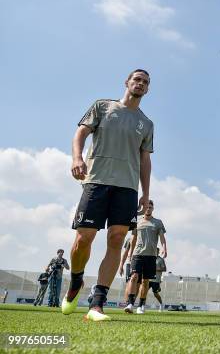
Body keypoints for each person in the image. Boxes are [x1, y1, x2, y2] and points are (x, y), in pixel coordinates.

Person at [61, 69, 154, 322]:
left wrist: (146, 193)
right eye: (137, 80)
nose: (141, 84)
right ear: (127, 82)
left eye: (145, 82)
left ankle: (97, 303)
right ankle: (77, 280)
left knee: (116, 238)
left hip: (126, 188)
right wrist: (77, 158)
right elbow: (80, 132)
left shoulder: (146, 123)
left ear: (147, 89)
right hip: (96, 182)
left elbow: (145, 159)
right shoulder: (102, 107)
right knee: (83, 239)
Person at [124, 200, 167, 315]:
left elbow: (162, 237)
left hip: (151, 255)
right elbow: (133, 238)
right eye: (146, 207)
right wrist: (130, 252)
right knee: (133, 277)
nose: (148, 208)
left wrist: (164, 248)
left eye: (150, 207)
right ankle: (130, 303)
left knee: (145, 281)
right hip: (137, 254)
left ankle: (141, 305)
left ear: (153, 208)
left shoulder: (158, 222)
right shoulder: (137, 222)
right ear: (144, 208)